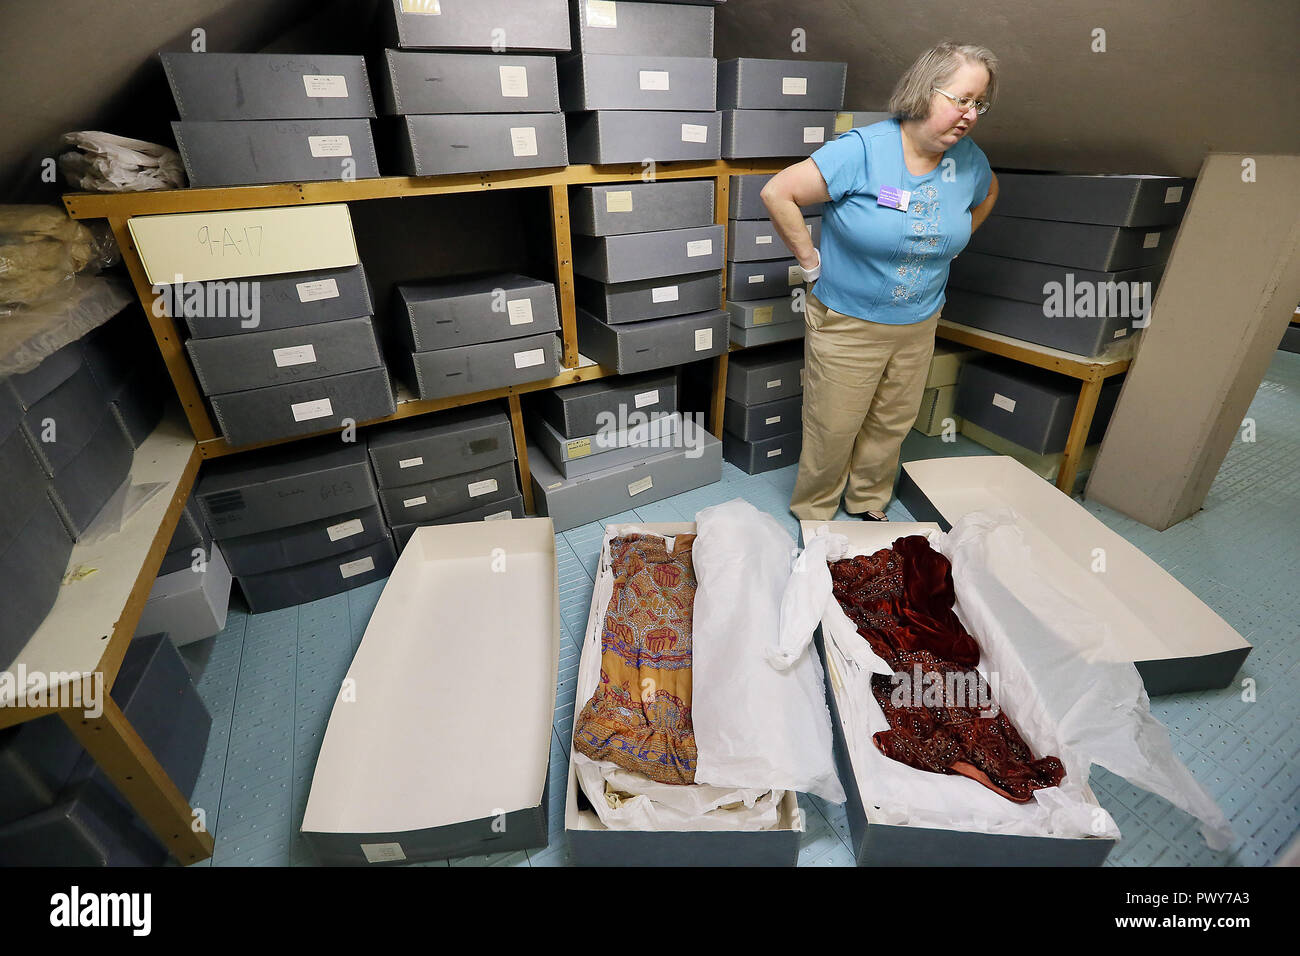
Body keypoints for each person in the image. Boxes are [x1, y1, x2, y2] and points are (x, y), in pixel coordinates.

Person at [761, 41, 1001, 521]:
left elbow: (989, 193)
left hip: (919, 320)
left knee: (892, 421)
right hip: (849, 322)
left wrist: (951, 241)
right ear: (924, 90)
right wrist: (811, 263)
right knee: (834, 426)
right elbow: (778, 191)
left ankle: (869, 501)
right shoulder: (863, 150)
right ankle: (815, 510)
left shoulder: (969, 160)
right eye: (961, 99)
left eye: (979, 104)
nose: (971, 114)